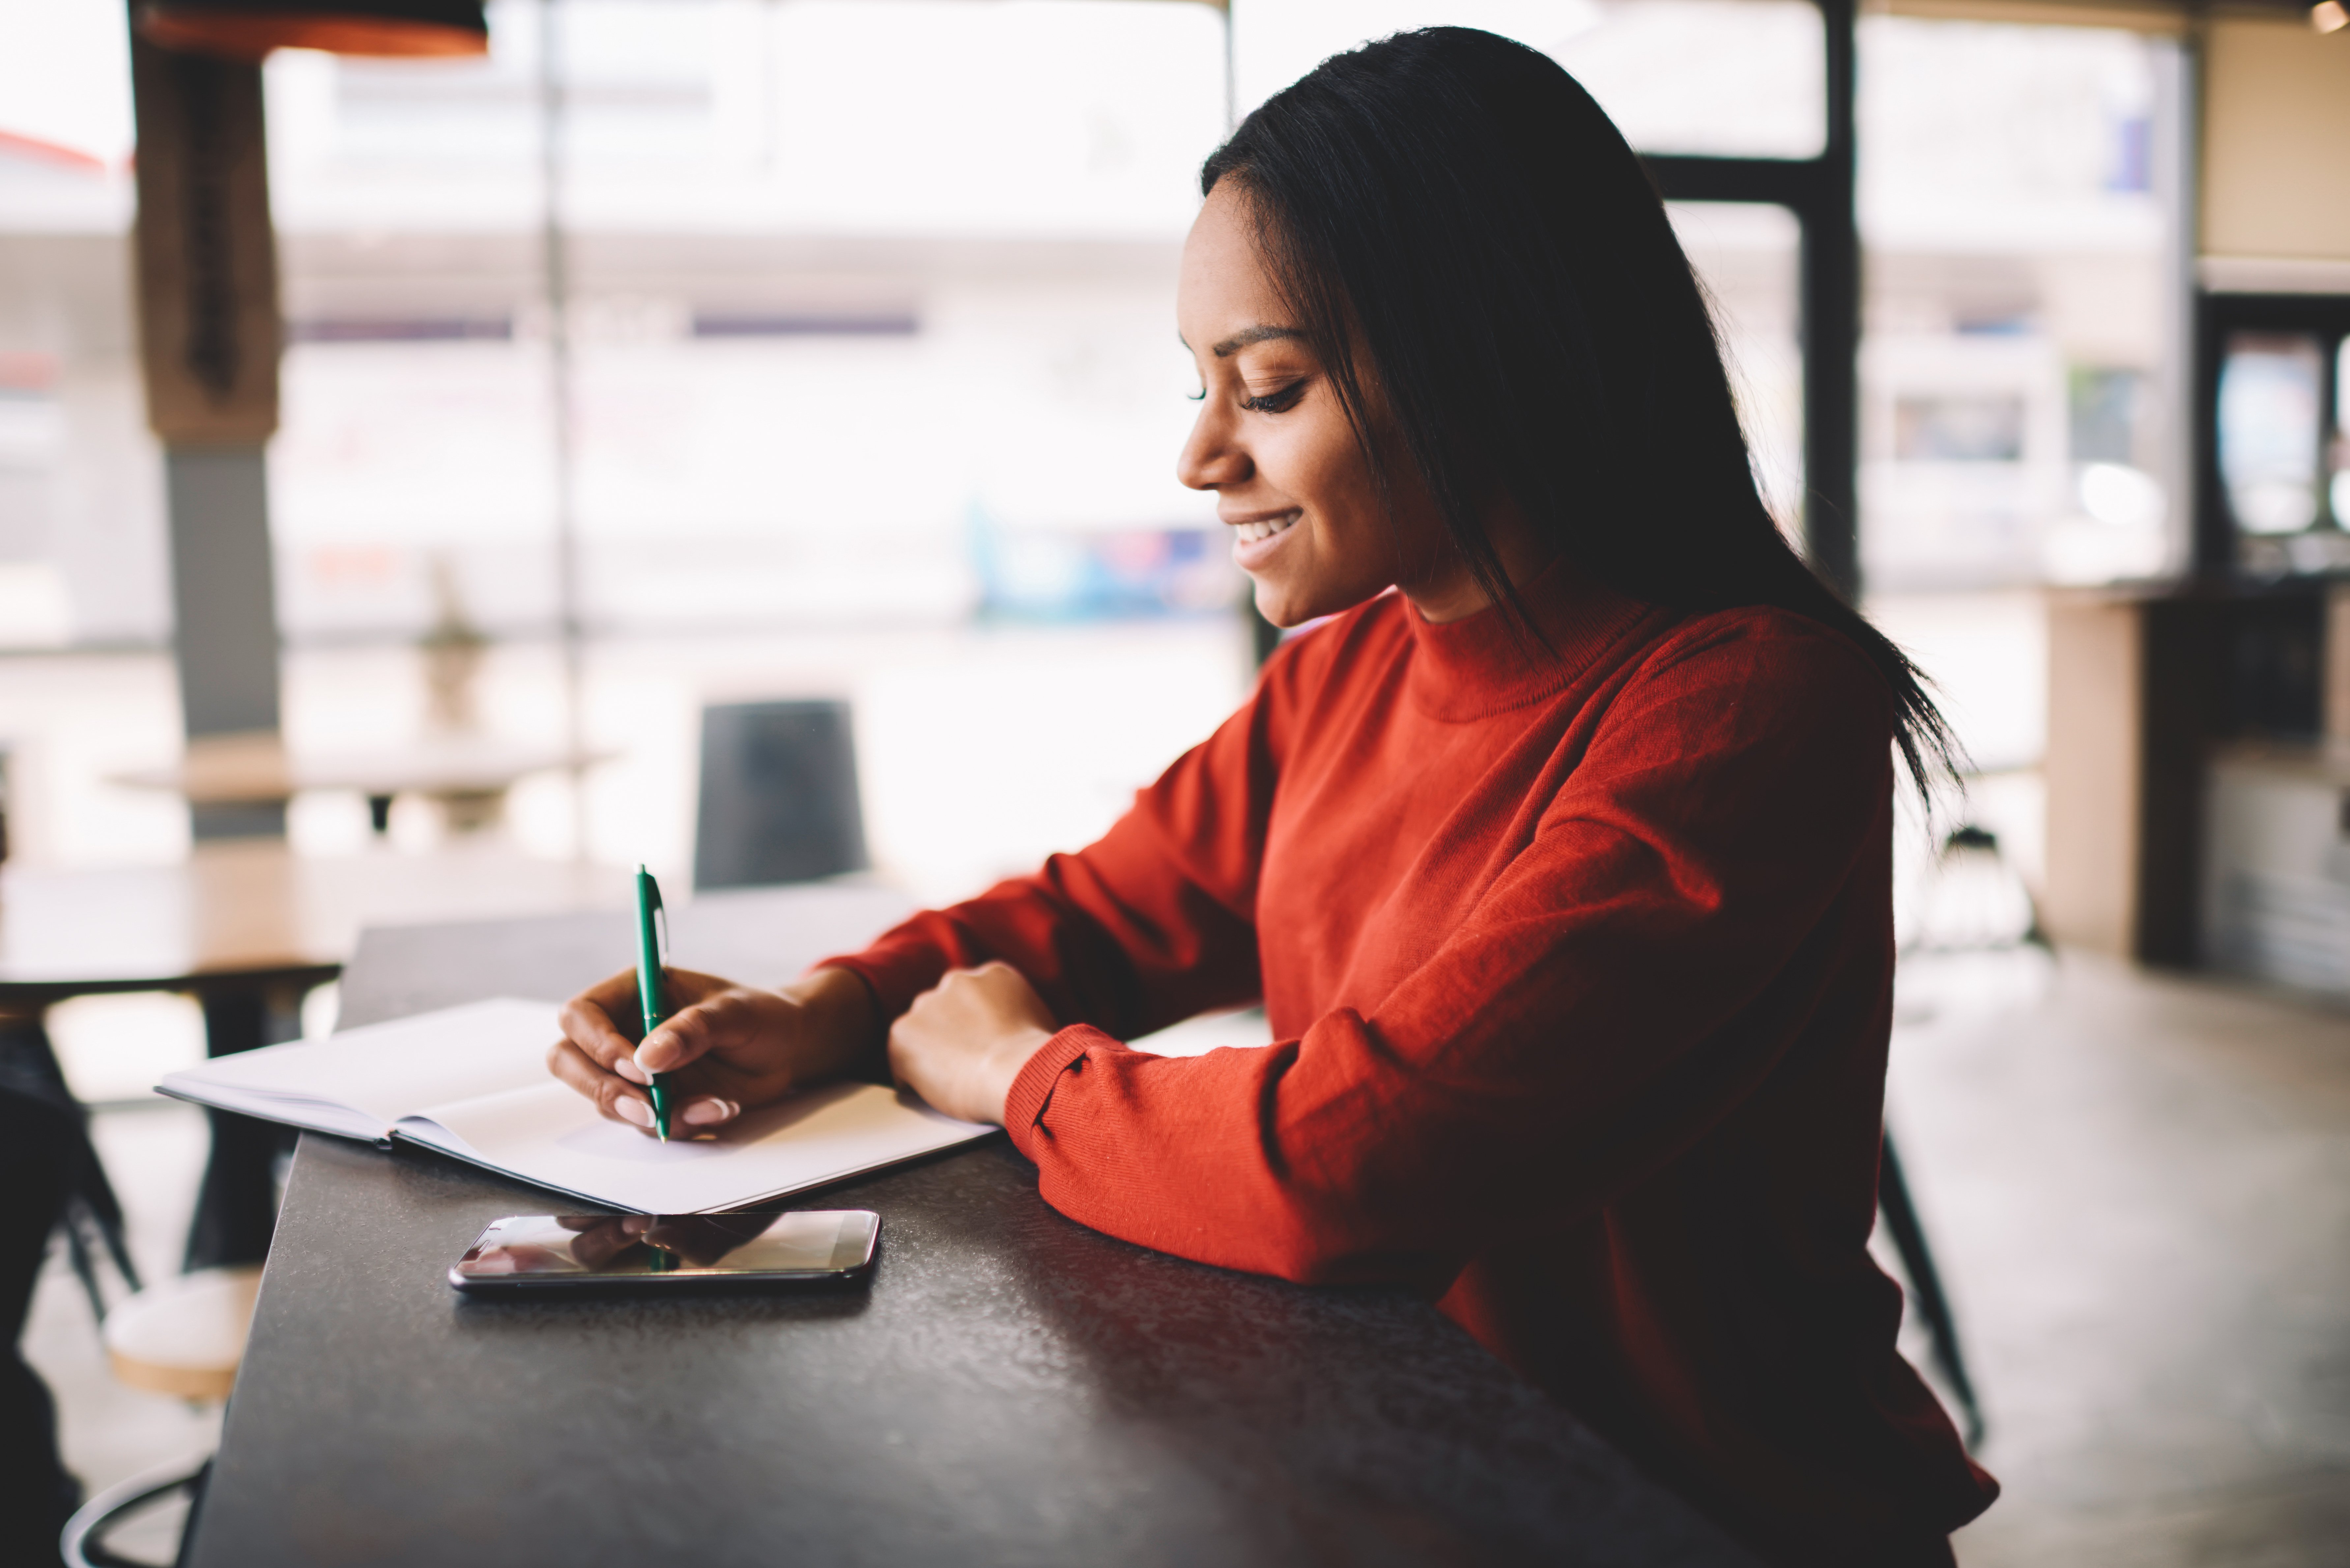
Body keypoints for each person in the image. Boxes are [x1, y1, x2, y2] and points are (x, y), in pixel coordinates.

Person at [549, 27, 1998, 1565]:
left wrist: (1021, 1076)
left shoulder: (1742, 705)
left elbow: (1360, 1158)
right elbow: (1100, 912)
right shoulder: (1353, 665)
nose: (1198, 454)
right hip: (1409, 1471)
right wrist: (828, 1010)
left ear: (1486, 357)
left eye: (1272, 385)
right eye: (1200, 386)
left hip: (1699, 1516)